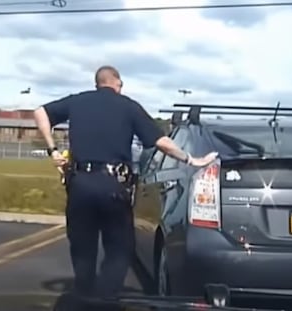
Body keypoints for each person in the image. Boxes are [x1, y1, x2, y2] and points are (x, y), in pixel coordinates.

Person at [34, 65, 218, 299]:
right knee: (120, 250)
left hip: (79, 185)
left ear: (97, 83)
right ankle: (104, 298)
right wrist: (192, 159)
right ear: (117, 83)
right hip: (113, 188)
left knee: (83, 251)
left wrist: (53, 150)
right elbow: (161, 142)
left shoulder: (77, 101)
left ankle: (84, 295)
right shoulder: (128, 106)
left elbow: (40, 112)